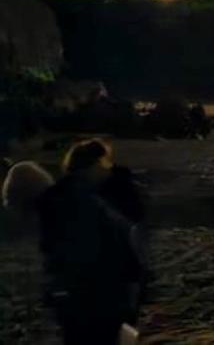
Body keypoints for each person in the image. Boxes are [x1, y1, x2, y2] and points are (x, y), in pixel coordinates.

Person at [38, 139, 147, 345]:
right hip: (97, 288)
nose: (109, 169)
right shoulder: (83, 199)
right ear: (95, 164)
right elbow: (111, 241)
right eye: (106, 164)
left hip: (75, 289)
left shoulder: (61, 196)